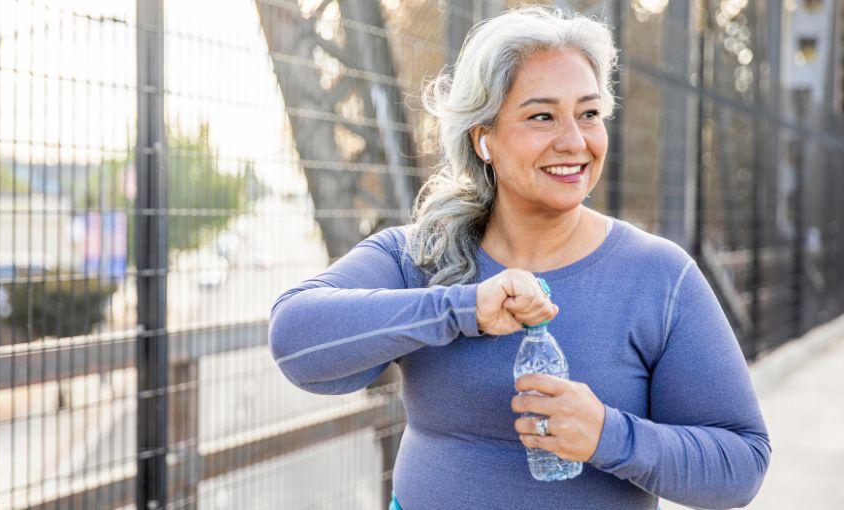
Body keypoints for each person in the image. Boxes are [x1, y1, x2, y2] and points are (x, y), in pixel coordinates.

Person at [269, 5, 770, 509]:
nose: (574, 141)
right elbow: (295, 342)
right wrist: (460, 310)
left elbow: (740, 466)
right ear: (483, 138)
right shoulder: (420, 255)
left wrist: (609, 436)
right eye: (541, 116)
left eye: (589, 114)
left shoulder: (659, 276)